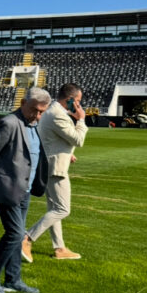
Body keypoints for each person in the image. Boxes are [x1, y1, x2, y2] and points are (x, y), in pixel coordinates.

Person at [0, 87, 51, 293]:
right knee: (15, 234)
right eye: (35, 110)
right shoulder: (9, 123)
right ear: (23, 103)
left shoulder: (35, 125)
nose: (37, 116)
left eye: (41, 112)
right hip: (7, 188)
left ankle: (13, 279)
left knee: (18, 237)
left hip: (25, 190)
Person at [23, 83, 88, 262]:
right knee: (62, 209)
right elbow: (78, 139)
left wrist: (69, 154)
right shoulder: (58, 114)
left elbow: (56, 140)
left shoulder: (56, 112)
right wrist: (81, 119)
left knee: (54, 208)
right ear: (70, 100)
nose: (79, 105)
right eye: (78, 101)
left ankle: (59, 248)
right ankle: (27, 238)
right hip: (55, 169)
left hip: (52, 164)